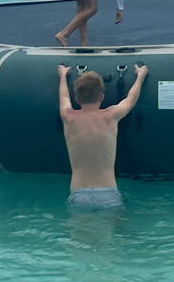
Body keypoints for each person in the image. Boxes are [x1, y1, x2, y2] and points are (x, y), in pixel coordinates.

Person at [57, 62, 149, 209]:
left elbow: (63, 98)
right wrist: (140, 76)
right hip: (108, 194)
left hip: (79, 195)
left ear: (77, 99)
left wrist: (62, 76)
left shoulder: (68, 116)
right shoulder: (111, 115)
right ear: (102, 97)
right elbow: (131, 100)